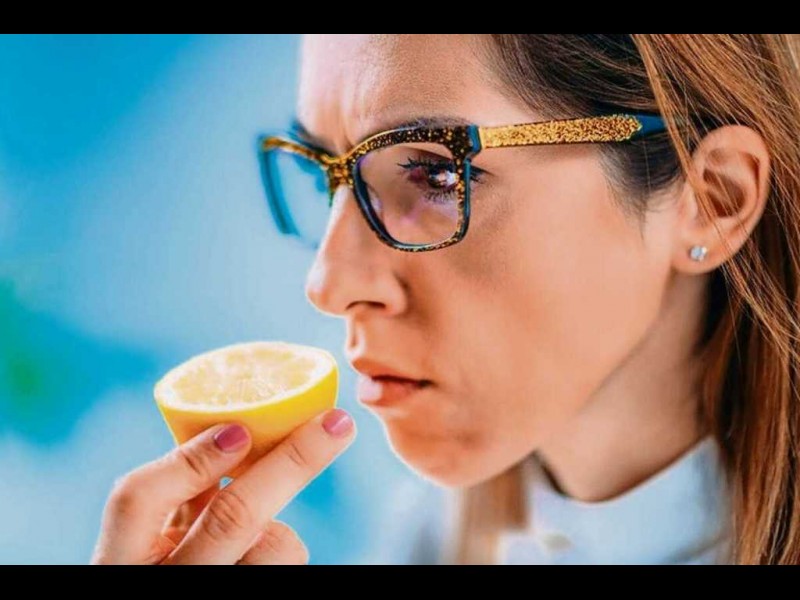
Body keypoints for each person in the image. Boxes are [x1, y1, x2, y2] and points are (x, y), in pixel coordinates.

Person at [92, 34, 800, 565]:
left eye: (438, 176)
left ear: (712, 200)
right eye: (323, 178)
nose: (328, 285)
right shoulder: (427, 539)